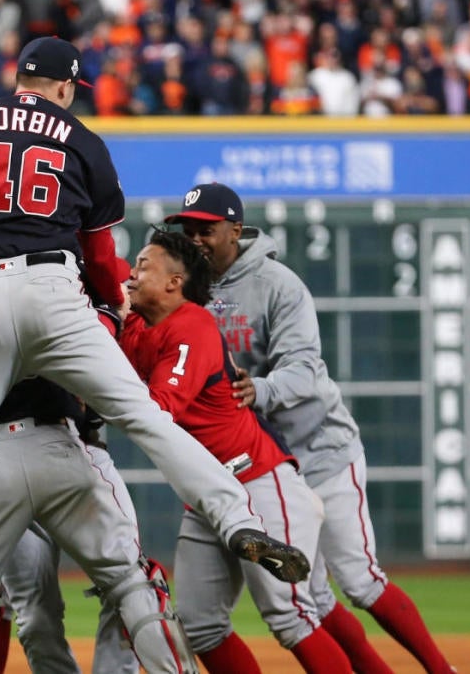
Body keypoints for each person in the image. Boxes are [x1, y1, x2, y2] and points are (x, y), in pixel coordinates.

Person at [0, 36, 309, 651]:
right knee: (147, 418)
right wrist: (113, 296)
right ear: (66, 87)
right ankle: (237, 520)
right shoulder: (84, 141)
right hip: (56, 288)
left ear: (18, 78)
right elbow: (102, 257)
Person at [172, 182, 457, 674]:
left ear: (235, 231)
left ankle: (441, 669)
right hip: (261, 467)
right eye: (187, 229)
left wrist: (257, 389)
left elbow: (304, 371)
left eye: (206, 229)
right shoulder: (189, 291)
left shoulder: (278, 284)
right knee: (316, 598)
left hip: (320, 450)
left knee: (361, 581)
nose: (195, 238)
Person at [0, 267, 159, 674]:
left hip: (72, 451)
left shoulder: (51, 279)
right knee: (38, 614)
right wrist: (111, 315)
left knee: (129, 586)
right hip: (2, 461)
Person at [120, 231, 351, 673]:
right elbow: (106, 275)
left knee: (291, 617)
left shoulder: (192, 325)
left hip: (258, 479)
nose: (134, 271)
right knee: (200, 623)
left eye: (145, 265)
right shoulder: (140, 328)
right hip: (208, 494)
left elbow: (161, 410)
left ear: (175, 281)